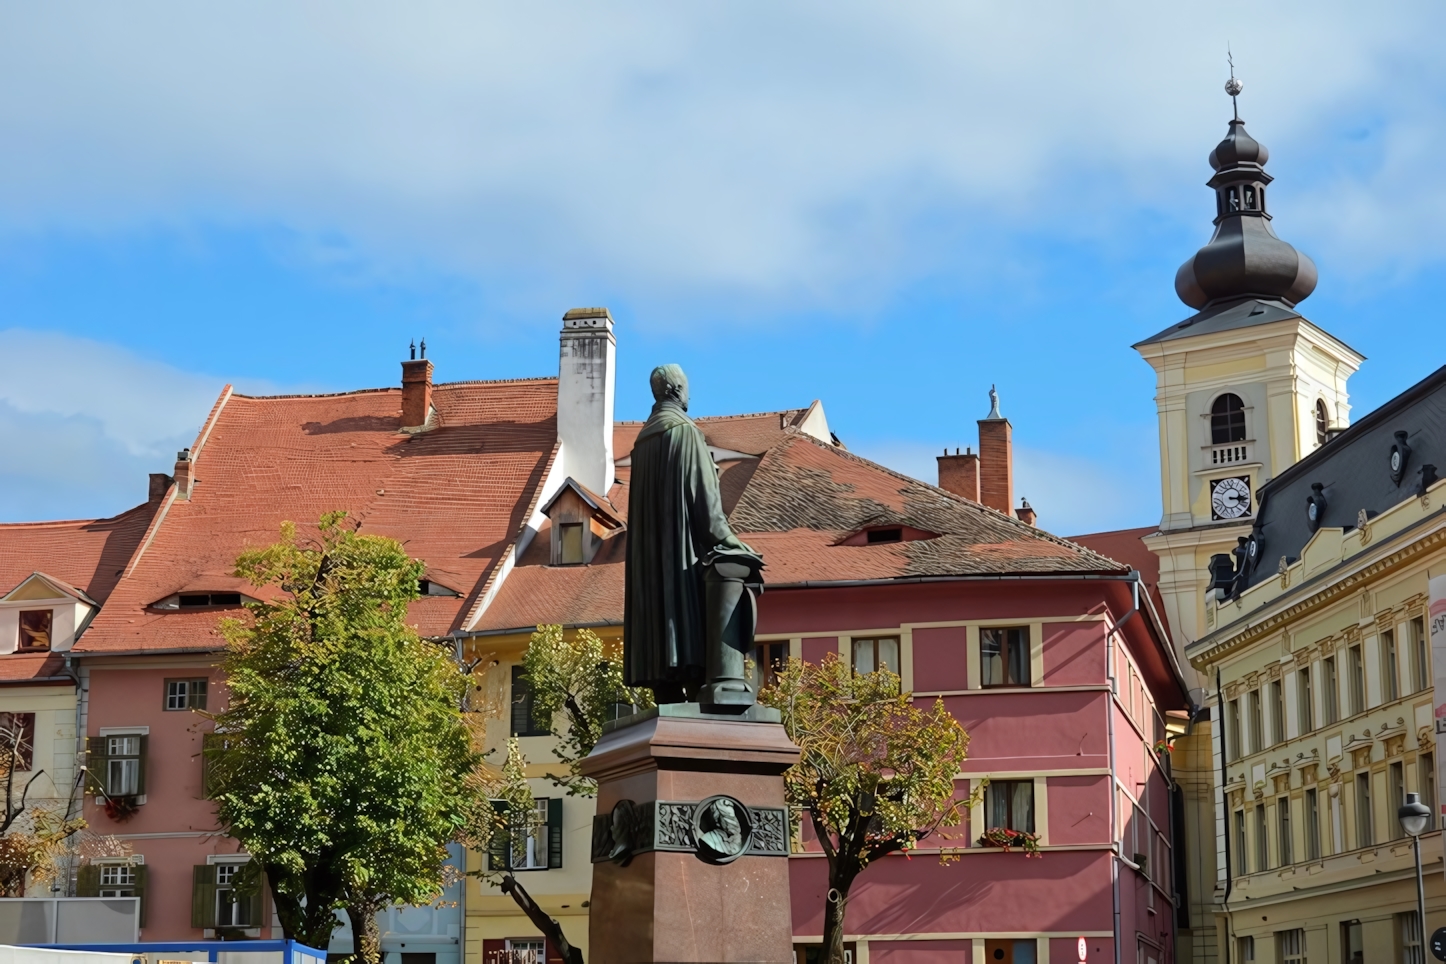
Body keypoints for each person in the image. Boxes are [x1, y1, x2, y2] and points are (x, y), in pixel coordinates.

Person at [623, 364, 762, 704]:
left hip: (650, 569)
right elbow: (707, 505)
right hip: (682, 565)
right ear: (676, 391)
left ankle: (665, 685)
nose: (690, 394)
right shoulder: (685, 433)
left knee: (665, 688)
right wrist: (731, 542)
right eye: (686, 387)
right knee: (694, 626)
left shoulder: (643, 441)